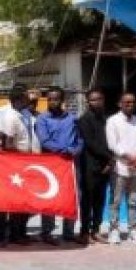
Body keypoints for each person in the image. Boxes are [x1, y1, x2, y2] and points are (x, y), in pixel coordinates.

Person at [35, 87, 83, 245]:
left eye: (56, 99)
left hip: (70, 163)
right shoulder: (42, 119)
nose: (52, 102)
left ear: (62, 101)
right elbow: (45, 141)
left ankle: (68, 232)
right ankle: (47, 232)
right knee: (49, 196)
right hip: (51, 163)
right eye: (50, 99)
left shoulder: (72, 118)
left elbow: (80, 139)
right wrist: (65, 150)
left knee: (72, 196)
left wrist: (76, 150)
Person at [0, 85, 36, 246]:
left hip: (25, 163)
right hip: (14, 164)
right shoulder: (10, 117)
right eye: (26, 97)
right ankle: (1, 236)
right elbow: (8, 143)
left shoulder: (23, 115)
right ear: (19, 99)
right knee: (5, 202)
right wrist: (22, 154)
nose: (29, 100)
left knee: (22, 202)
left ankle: (18, 234)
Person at [106, 92, 136, 245]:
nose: (130, 105)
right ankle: (114, 230)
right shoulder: (113, 121)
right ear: (120, 104)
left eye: (133, 102)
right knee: (115, 201)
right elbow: (112, 144)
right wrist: (129, 158)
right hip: (120, 167)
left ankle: (133, 230)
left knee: (133, 201)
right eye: (127, 102)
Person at [77, 90, 113, 244]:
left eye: (99, 99)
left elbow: (111, 141)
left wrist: (109, 162)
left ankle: (96, 230)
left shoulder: (107, 119)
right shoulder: (84, 120)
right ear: (88, 102)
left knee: (100, 200)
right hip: (89, 165)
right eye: (93, 100)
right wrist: (109, 158)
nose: (96, 102)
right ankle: (84, 232)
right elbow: (90, 144)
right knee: (87, 200)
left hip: (105, 165)